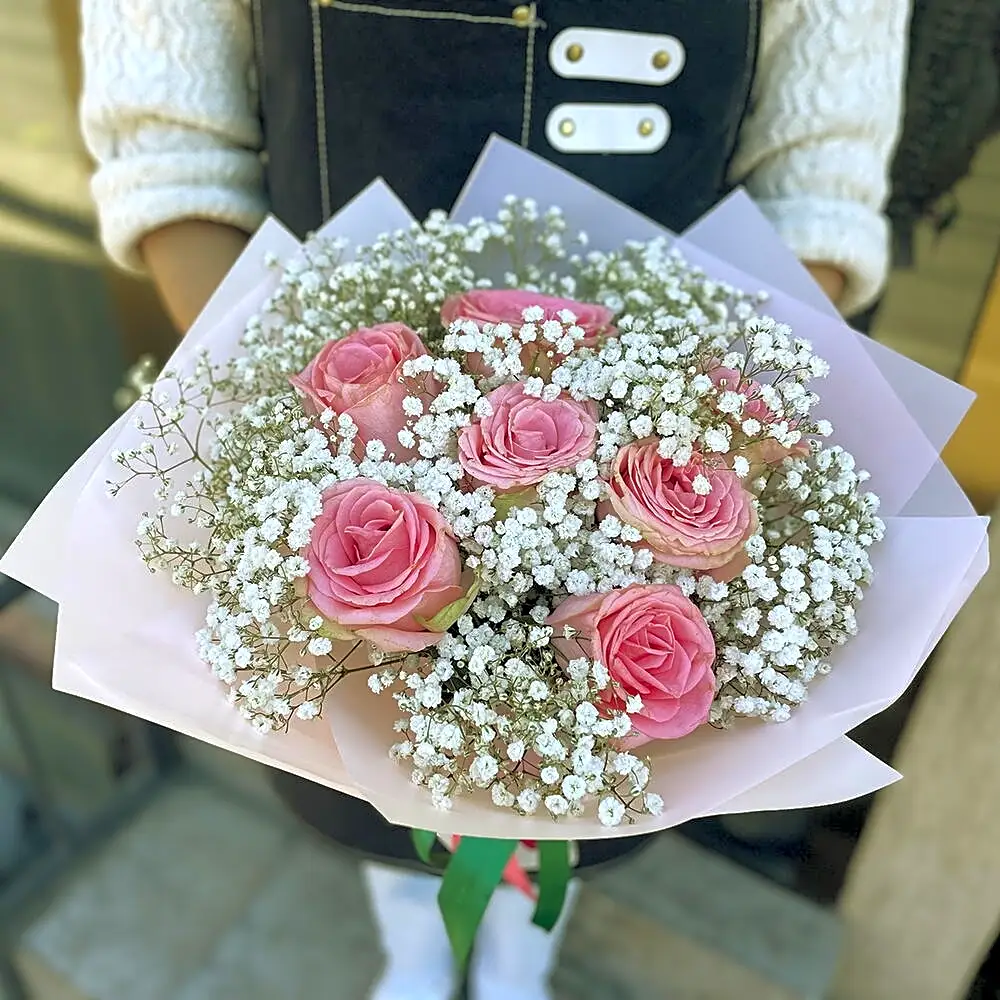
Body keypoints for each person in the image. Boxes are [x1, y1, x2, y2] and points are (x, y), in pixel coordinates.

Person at [79, 2, 908, 997]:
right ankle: (414, 952)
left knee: (591, 747)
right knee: (369, 755)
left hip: (656, 421)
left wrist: (674, 456)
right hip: (332, 434)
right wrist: (309, 437)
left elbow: (818, 185)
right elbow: (171, 148)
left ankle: (522, 959)